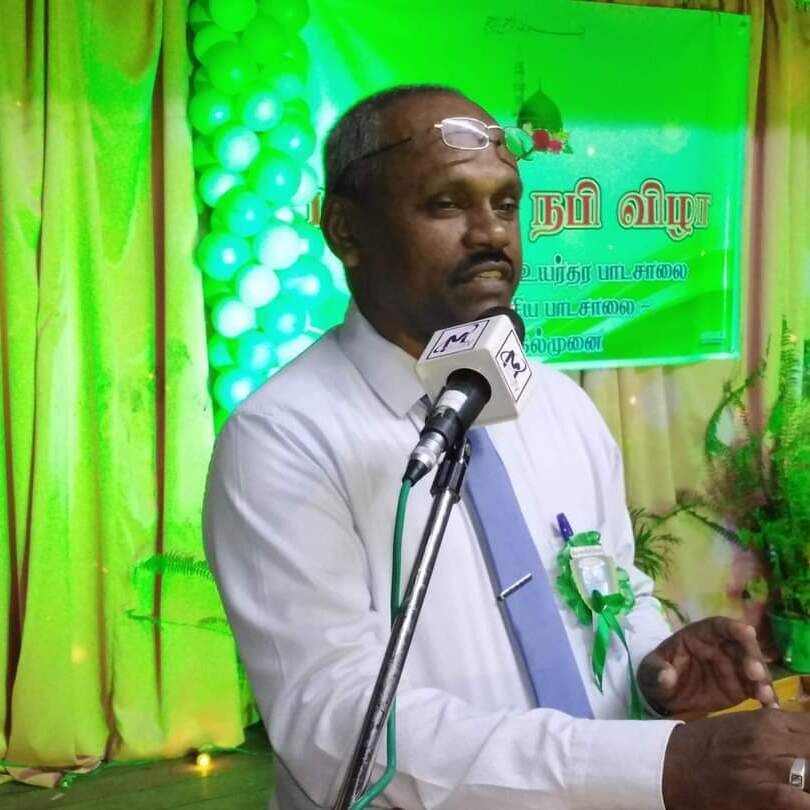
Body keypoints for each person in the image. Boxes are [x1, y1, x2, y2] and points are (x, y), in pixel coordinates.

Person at [203, 85, 810, 810]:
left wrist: (654, 676)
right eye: (446, 204)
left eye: (506, 202)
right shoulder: (285, 439)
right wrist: (663, 765)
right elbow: (341, 733)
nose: (490, 233)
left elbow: (616, 591)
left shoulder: (559, 405)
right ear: (345, 230)